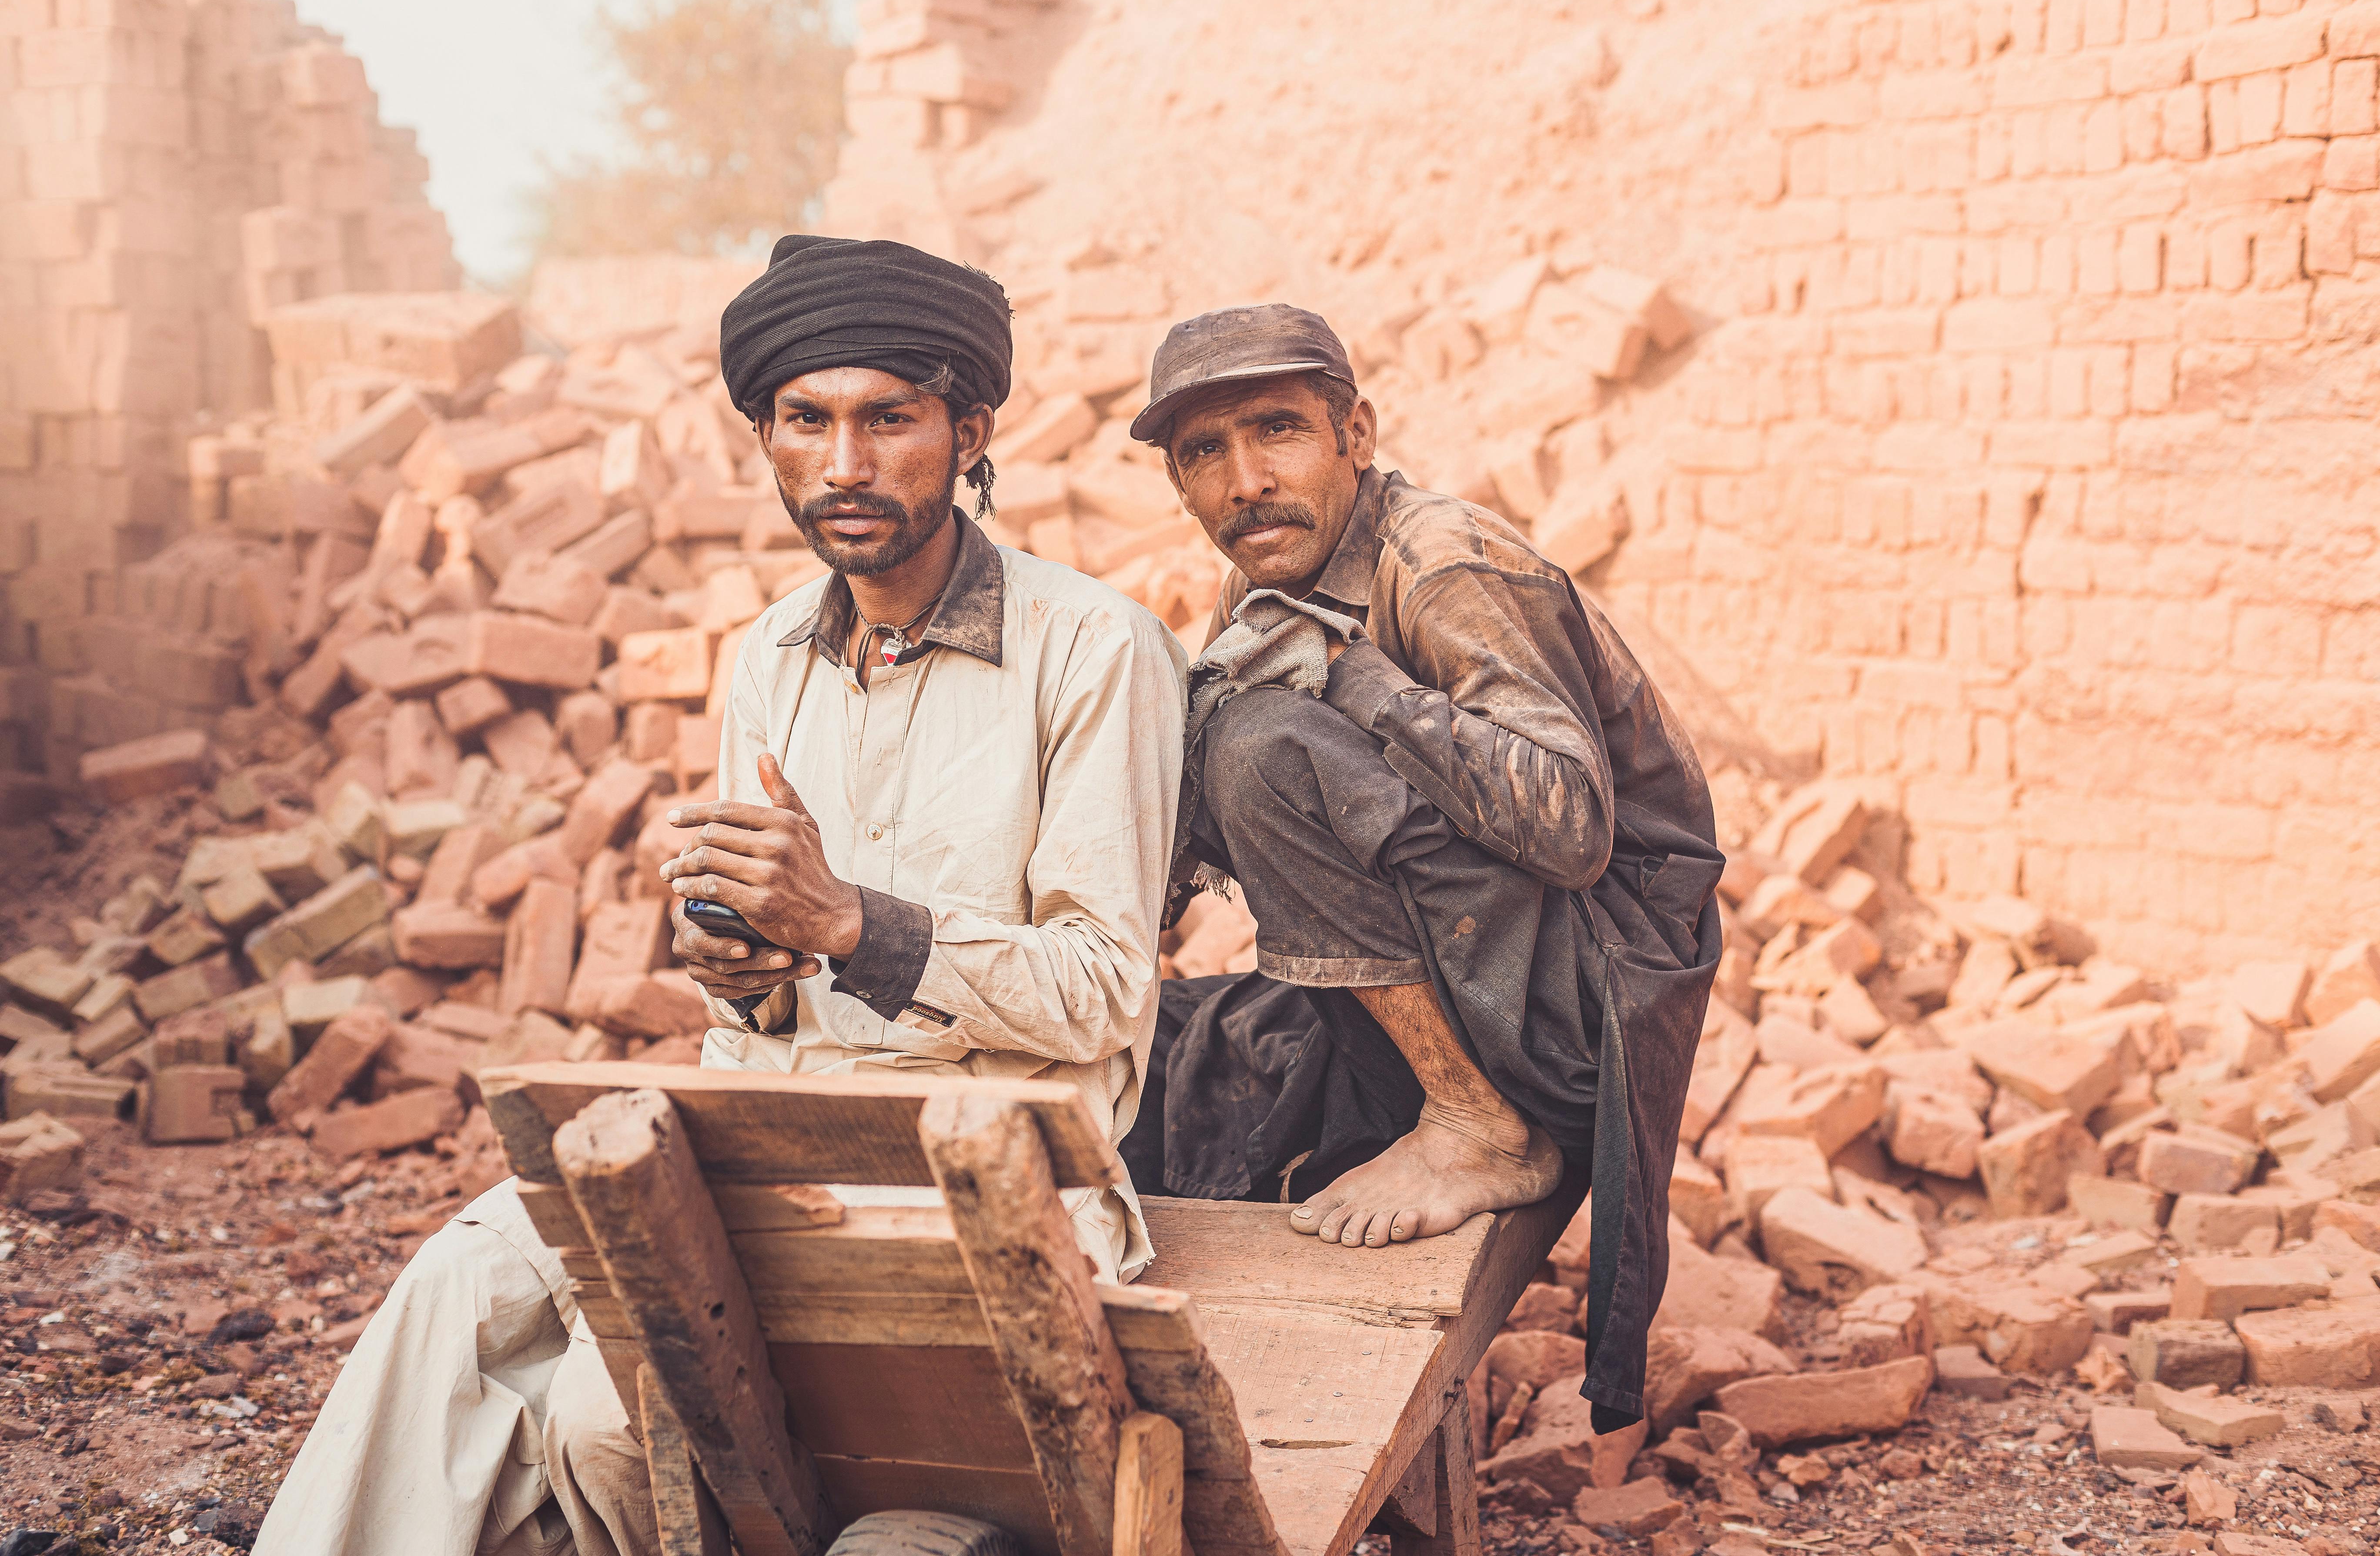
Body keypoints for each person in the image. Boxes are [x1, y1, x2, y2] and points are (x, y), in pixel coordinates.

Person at [257, 236, 1187, 1556]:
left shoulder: (1094, 647)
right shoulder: (769, 655)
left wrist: (850, 925)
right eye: (806, 421)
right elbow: (758, 993)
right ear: (765, 436)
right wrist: (742, 968)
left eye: (889, 419)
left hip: (991, 1165)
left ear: (970, 431)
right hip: (772, 1136)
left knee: (610, 1425)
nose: (844, 464)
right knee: (463, 1284)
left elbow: (1104, 991)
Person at [1124, 303, 1721, 1432]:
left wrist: (1356, 677)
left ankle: (1477, 1124)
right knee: (1180, 1043)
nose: (1246, 481)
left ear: (1355, 434)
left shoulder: (1443, 561)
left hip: (1596, 988)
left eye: (1277, 430)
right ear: (1180, 483)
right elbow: (1195, 835)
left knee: (1260, 745)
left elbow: (1575, 827)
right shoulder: (1268, 576)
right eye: (1204, 452)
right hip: (1486, 958)